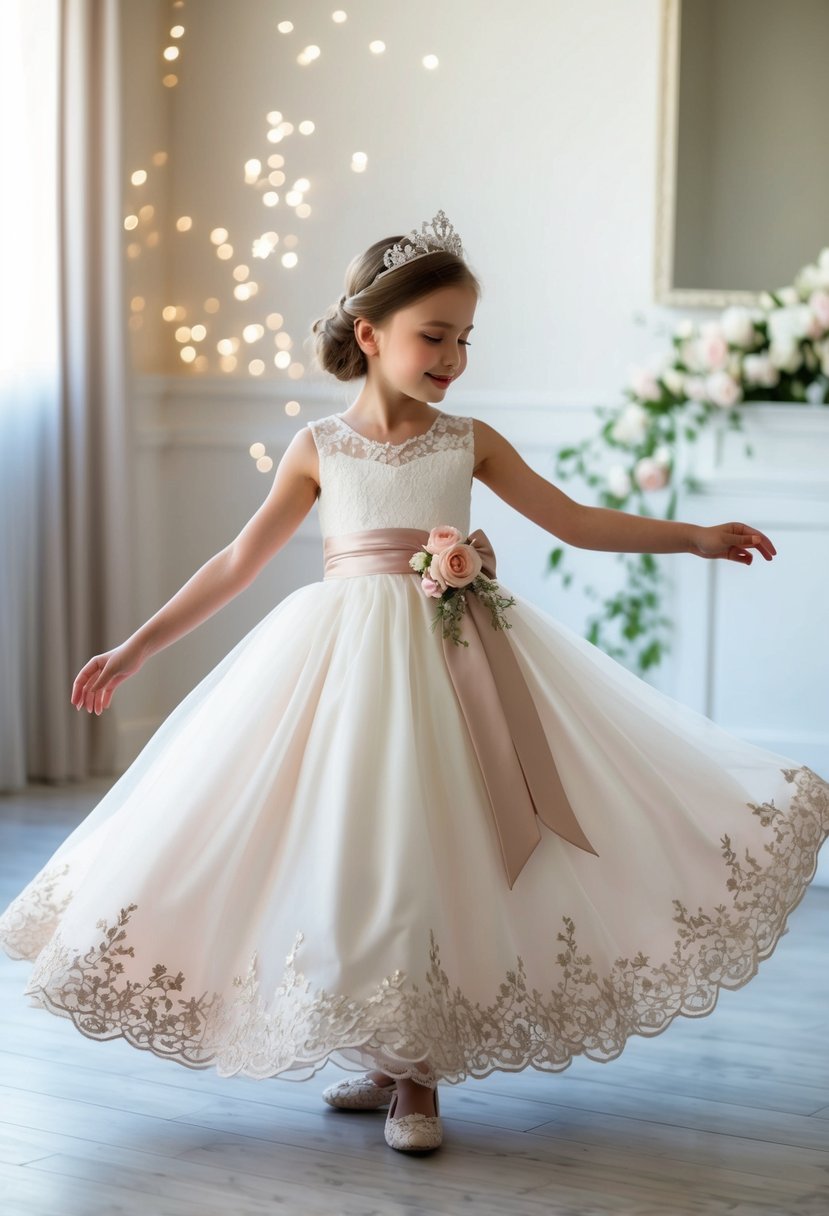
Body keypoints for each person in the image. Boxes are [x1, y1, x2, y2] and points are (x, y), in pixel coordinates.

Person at [1, 210, 827, 1157]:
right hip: (343, 670)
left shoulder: (464, 440)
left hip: (453, 656)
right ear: (370, 334)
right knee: (356, 845)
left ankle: (419, 1075)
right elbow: (236, 561)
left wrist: (692, 536)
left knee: (432, 840)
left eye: (464, 338)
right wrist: (136, 647)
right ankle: (386, 1050)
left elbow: (569, 518)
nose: (453, 356)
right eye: (435, 335)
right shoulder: (319, 446)